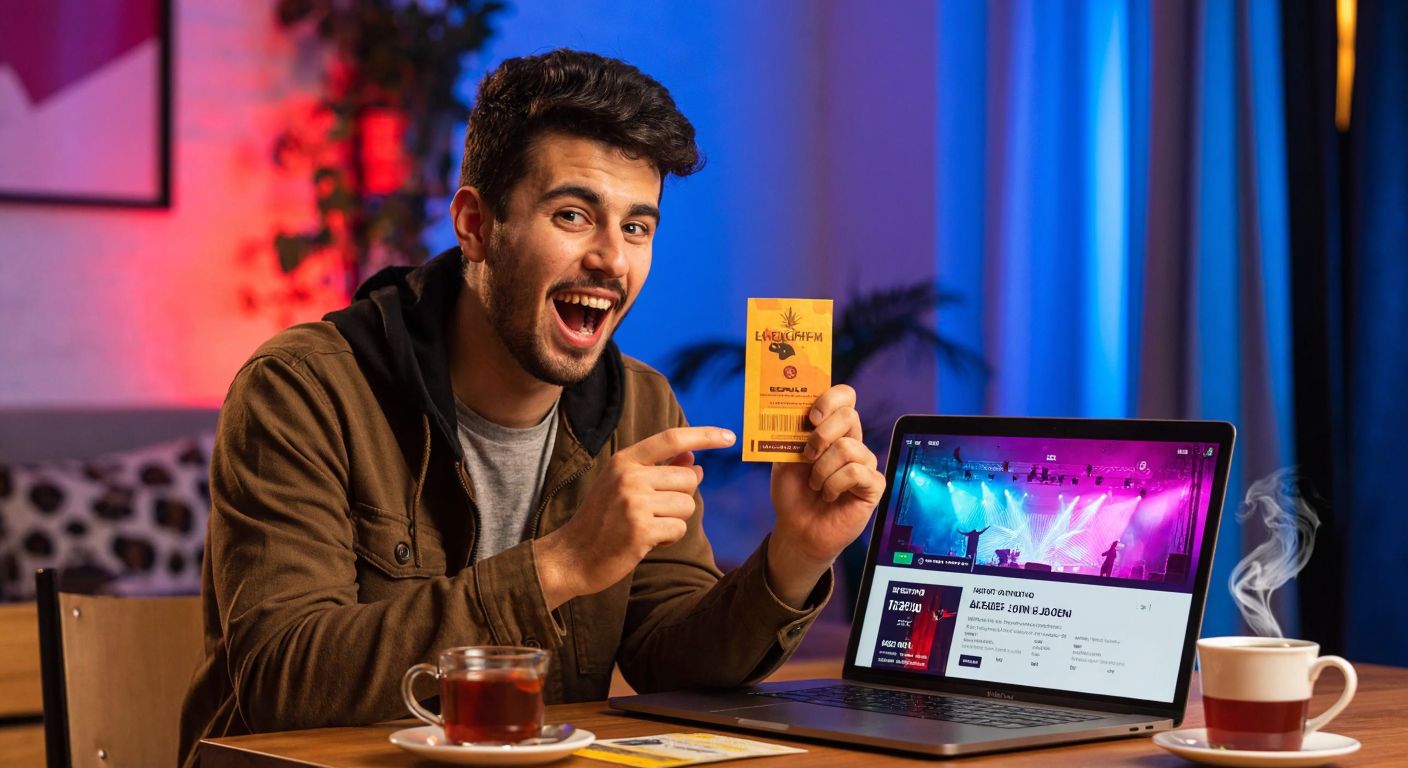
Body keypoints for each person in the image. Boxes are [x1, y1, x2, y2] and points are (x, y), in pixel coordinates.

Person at [178, 49, 885, 767]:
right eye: (574, 215)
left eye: (637, 227)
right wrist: (559, 564)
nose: (612, 257)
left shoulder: (642, 404)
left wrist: (795, 553)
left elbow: (671, 665)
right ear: (476, 224)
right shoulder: (302, 390)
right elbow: (282, 681)